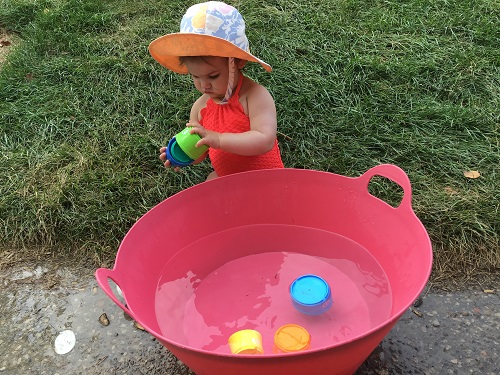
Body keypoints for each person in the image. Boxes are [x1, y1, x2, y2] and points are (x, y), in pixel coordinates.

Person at [149, 1, 284, 180]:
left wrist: (218, 139)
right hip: (228, 178)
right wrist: (183, 154)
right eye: (195, 76)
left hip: (266, 179)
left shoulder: (255, 96)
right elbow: (203, 150)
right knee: (212, 179)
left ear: (238, 61)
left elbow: (264, 140)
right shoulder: (200, 108)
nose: (204, 85)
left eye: (212, 76)